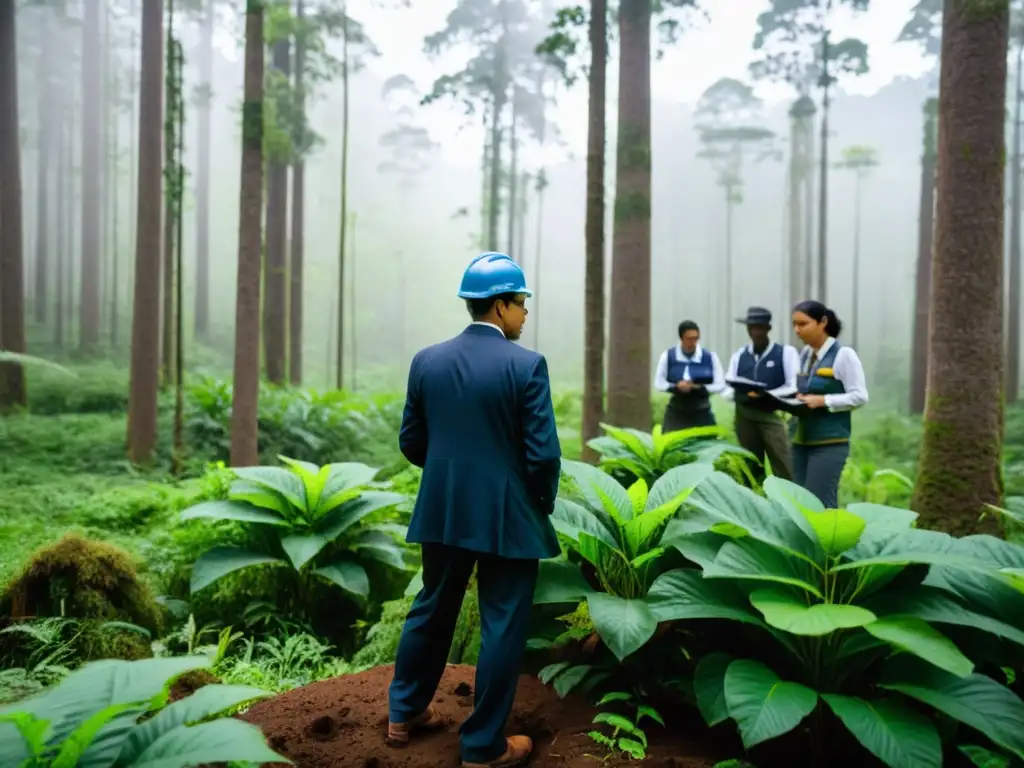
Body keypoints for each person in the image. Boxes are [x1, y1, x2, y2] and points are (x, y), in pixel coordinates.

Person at [386, 252, 561, 768]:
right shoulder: (526, 365)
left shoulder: (427, 360)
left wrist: (447, 475)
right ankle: (483, 747)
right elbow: (543, 454)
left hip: (442, 509)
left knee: (432, 605)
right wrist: (541, 502)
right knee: (503, 622)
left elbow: (412, 442)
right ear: (501, 305)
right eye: (522, 303)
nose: (525, 314)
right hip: (508, 515)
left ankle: (403, 714)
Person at [789, 300, 869, 508]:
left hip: (829, 443)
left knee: (821, 502)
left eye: (803, 324)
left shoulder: (844, 355)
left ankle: (830, 541)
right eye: (794, 325)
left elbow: (860, 396)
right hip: (799, 440)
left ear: (822, 322)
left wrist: (824, 401)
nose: (797, 330)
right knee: (798, 502)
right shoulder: (805, 354)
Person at [722, 306, 799, 482]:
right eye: (751, 327)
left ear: (768, 329)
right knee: (750, 465)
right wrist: (738, 393)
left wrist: (767, 394)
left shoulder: (785, 353)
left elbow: (793, 386)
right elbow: (728, 387)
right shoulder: (739, 355)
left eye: (759, 327)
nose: (755, 332)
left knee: (783, 463)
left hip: (772, 415)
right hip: (744, 415)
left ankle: (787, 503)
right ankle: (754, 504)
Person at [653, 320, 726, 431]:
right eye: (689, 339)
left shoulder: (710, 357)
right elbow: (659, 383)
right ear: (681, 338)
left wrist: (698, 387)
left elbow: (720, 384)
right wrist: (676, 386)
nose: (693, 342)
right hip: (676, 411)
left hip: (702, 410)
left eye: (696, 338)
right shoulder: (668, 356)